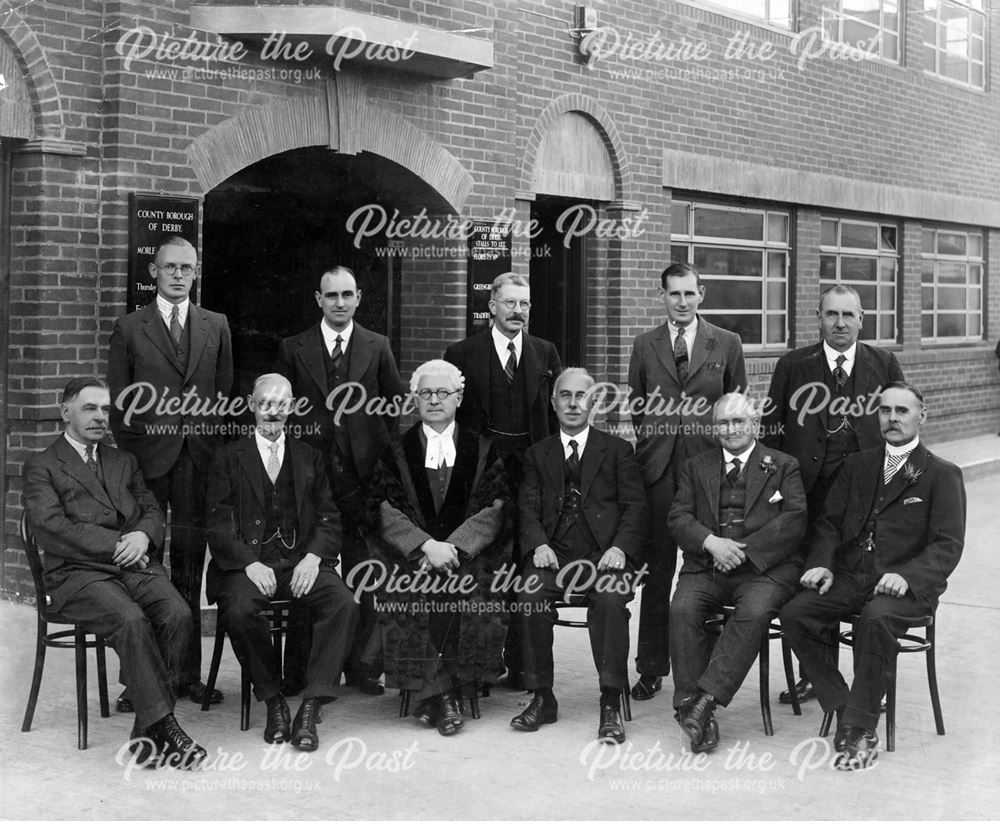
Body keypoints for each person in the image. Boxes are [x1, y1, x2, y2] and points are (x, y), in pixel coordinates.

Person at [780, 382, 966, 770]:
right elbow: (829, 523)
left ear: (922, 416)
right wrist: (823, 564)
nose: (893, 418)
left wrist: (908, 577)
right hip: (852, 576)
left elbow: (947, 545)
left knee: (875, 619)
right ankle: (845, 703)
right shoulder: (858, 465)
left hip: (904, 586)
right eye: (885, 411)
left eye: (902, 411)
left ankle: (861, 728)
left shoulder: (941, 474)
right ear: (877, 415)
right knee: (796, 613)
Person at [23, 377, 206, 768]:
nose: (100, 418)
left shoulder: (123, 460)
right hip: (77, 575)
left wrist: (142, 535)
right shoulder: (42, 465)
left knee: (178, 614)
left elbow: (153, 510)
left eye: (105, 410)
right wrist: (116, 546)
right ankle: (169, 730)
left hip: (133, 565)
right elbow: (51, 527)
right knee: (131, 619)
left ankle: (145, 730)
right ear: (65, 410)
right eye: (90, 408)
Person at [107, 235, 233, 709]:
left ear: (196, 272)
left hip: (198, 460)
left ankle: (185, 676)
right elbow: (121, 403)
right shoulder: (130, 327)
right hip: (147, 463)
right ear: (153, 273)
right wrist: (134, 461)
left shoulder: (215, 325)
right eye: (170, 267)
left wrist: (211, 449)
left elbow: (222, 396)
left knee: (189, 561)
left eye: (187, 267)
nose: (179, 275)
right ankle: (138, 682)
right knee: (142, 564)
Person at [762, 284, 903, 705]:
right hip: (807, 495)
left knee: (862, 586)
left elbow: (899, 428)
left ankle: (866, 685)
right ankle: (814, 677)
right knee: (813, 584)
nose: (840, 323)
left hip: (866, 497)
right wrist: (778, 490)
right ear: (818, 318)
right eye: (831, 315)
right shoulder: (793, 364)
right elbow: (772, 431)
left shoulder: (883, 362)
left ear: (862, 319)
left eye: (848, 315)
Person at [205, 374, 358, 751]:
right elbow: (217, 522)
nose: (273, 412)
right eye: (265, 403)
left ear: (291, 408)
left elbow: (329, 517)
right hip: (249, 565)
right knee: (240, 610)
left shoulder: (310, 456)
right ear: (252, 407)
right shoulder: (228, 457)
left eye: (281, 404)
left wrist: (312, 558)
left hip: (298, 562)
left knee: (342, 603)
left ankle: (310, 703)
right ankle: (273, 700)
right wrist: (248, 564)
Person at [364, 360, 512, 736]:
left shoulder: (483, 450)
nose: (434, 400)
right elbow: (381, 509)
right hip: (414, 559)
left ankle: (433, 697)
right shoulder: (395, 451)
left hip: (468, 559)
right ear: (415, 399)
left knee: (469, 590)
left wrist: (457, 548)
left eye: (443, 393)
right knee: (412, 590)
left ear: (458, 398)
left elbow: (496, 509)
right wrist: (425, 545)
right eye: (425, 393)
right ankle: (446, 697)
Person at [276, 266, 405, 696]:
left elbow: (394, 408)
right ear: (318, 299)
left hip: (363, 477)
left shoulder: (377, 345)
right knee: (309, 566)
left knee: (365, 568)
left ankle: (363, 666)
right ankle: (301, 670)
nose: (340, 302)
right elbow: (281, 413)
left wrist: (386, 468)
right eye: (331, 295)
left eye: (347, 294)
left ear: (359, 296)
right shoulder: (293, 348)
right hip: (311, 476)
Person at [627, 262, 746, 701]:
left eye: (689, 294)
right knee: (657, 573)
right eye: (673, 294)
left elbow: (735, 403)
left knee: (706, 570)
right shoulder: (644, 344)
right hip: (658, 471)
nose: (682, 302)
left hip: (707, 472)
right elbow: (639, 407)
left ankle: (705, 675)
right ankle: (651, 667)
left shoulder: (727, 343)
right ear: (663, 296)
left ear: (702, 295)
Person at [510, 369, 648, 743]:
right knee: (530, 597)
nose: (573, 404)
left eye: (581, 396)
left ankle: (609, 701)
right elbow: (526, 507)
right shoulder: (538, 454)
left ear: (595, 403)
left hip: (604, 558)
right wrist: (538, 543)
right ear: (554, 404)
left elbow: (636, 508)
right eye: (565, 397)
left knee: (608, 601)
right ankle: (542, 697)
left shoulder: (618, 450)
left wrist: (619, 548)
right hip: (554, 557)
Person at [668, 393, 807, 752]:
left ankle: (703, 702)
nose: (731, 429)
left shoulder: (783, 464)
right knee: (682, 608)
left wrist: (742, 554)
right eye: (724, 423)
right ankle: (694, 709)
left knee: (755, 612)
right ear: (715, 428)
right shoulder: (696, 465)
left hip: (765, 571)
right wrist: (712, 542)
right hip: (707, 565)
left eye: (738, 421)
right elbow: (679, 517)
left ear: (755, 424)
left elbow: (793, 521)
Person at [444, 272, 562, 690]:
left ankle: (523, 663)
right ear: (492, 306)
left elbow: (553, 420)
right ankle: (479, 665)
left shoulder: (545, 352)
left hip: (530, 474)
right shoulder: (462, 353)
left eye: (525, 304)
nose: (518, 311)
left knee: (524, 564)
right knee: (484, 568)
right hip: (481, 476)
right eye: (510, 303)